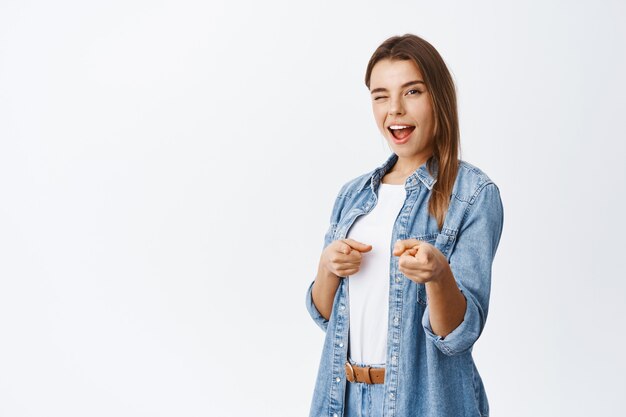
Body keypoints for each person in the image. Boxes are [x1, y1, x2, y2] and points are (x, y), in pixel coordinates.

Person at [305, 33, 505, 417]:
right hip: (341, 398)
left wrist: (438, 275)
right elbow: (325, 316)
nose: (394, 109)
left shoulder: (473, 194)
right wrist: (327, 267)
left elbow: (457, 335)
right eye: (380, 95)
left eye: (412, 92)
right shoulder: (353, 195)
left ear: (438, 98)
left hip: (425, 402)